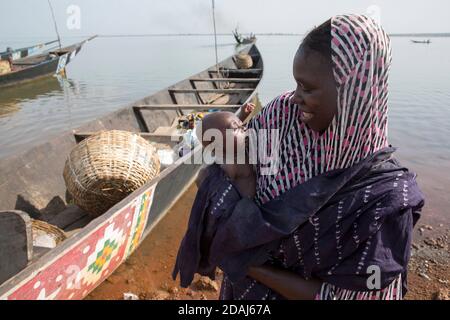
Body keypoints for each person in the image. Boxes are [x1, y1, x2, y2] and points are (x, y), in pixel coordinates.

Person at [173, 14, 425, 300]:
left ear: (354, 91)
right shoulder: (282, 118)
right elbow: (214, 176)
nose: (295, 97)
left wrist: (249, 262)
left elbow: (355, 296)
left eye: (307, 88)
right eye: (296, 85)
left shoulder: (384, 198)